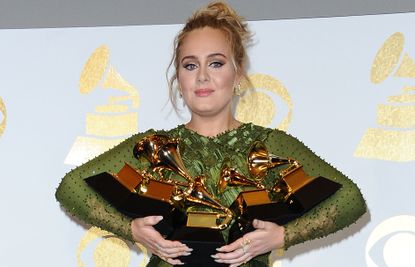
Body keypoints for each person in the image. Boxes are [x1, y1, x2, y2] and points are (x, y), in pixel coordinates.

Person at [55, 1, 367, 266]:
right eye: (190, 66)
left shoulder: (271, 145)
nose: (203, 76)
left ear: (238, 74)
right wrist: (131, 230)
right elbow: (71, 187)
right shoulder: (153, 146)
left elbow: (350, 199)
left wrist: (283, 235)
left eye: (215, 63)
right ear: (178, 79)